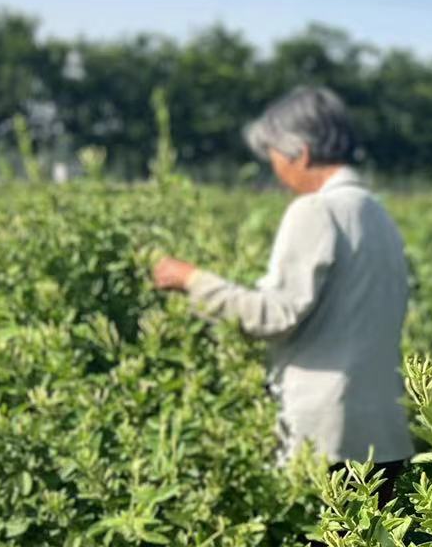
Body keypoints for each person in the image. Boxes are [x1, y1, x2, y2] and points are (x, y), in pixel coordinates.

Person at [151, 86, 413, 503]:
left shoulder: (316, 210)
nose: (275, 170)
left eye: (274, 156)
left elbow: (273, 315)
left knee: (317, 544)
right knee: (373, 545)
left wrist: (192, 280)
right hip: (383, 432)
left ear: (301, 153)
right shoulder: (377, 212)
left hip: (324, 435)